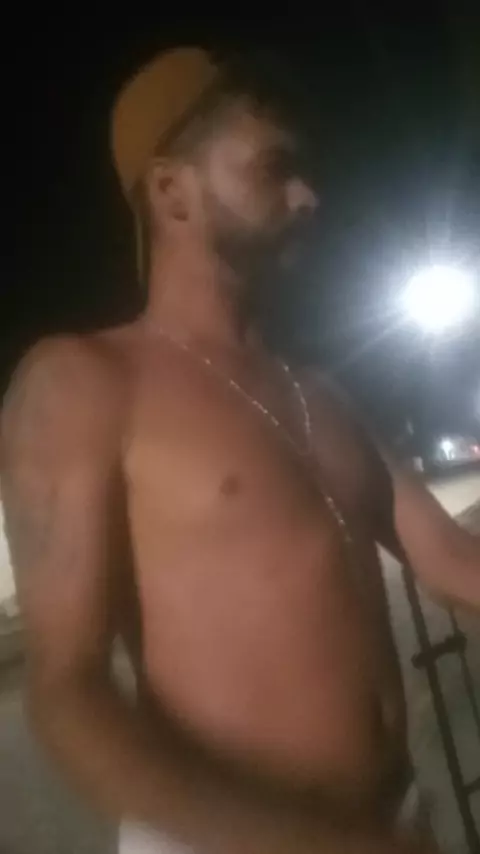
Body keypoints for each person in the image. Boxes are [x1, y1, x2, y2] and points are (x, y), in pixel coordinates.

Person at [1, 47, 478, 854]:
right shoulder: (85, 381)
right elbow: (67, 689)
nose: (309, 195)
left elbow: (455, 561)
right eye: (274, 168)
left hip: (394, 825)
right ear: (172, 192)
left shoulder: (323, 394)